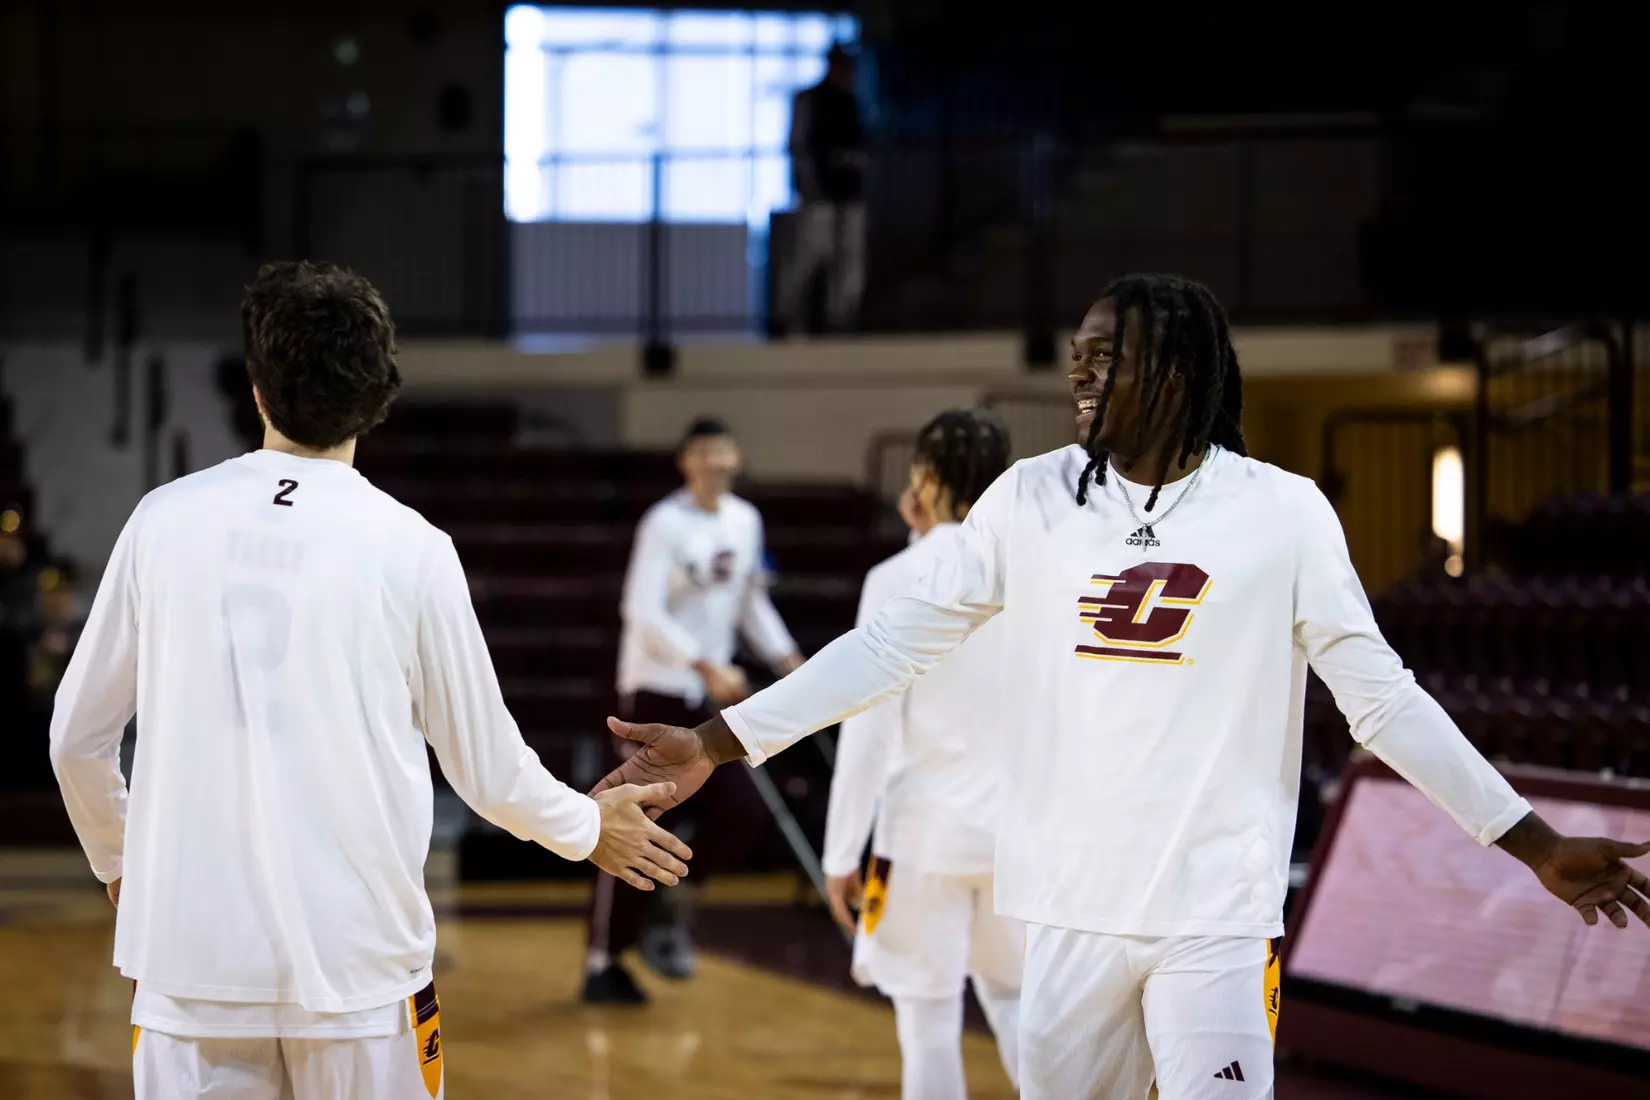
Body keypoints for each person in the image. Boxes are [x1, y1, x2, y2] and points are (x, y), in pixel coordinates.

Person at [592, 273, 1650, 1099]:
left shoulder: (1282, 512)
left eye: (1107, 360)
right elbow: (890, 646)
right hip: (1064, 913)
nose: (1080, 380)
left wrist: (1530, 839)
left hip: (1216, 918)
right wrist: (720, 738)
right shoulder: (1028, 499)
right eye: (1077, 361)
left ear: (1180, 373)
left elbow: (1382, 697)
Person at [49, 261, 691, 1100]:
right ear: (382, 393)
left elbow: (76, 737)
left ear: (256, 387)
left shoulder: (162, 521)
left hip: (188, 966)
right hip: (360, 974)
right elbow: (489, 771)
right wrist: (585, 825)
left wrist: (122, 862)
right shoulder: (412, 547)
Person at [822, 409, 1023, 1100]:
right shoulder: (1038, 570)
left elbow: (867, 727)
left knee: (929, 1017)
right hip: (1022, 838)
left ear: (925, 479)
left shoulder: (895, 576)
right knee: (1023, 1007)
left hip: (921, 836)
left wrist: (839, 853)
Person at [582, 416, 805, 1004]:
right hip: (656, 691)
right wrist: (703, 662)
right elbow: (642, 610)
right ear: (686, 461)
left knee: (743, 812)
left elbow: (749, 601)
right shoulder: (665, 522)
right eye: (702, 451)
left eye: (722, 450)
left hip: (707, 702)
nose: (715, 461)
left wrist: (788, 658)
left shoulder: (745, 520)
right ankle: (601, 959)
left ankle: (671, 898)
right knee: (635, 819)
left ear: (735, 458)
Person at [779, 43, 866, 335]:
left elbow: (860, 145)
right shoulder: (811, 100)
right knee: (813, 252)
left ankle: (840, 319)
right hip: (819, 194)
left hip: (849, 193)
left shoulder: (851, 102)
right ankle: (789, 317)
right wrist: (808, 186)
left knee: (850, 258)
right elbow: (799, 146)